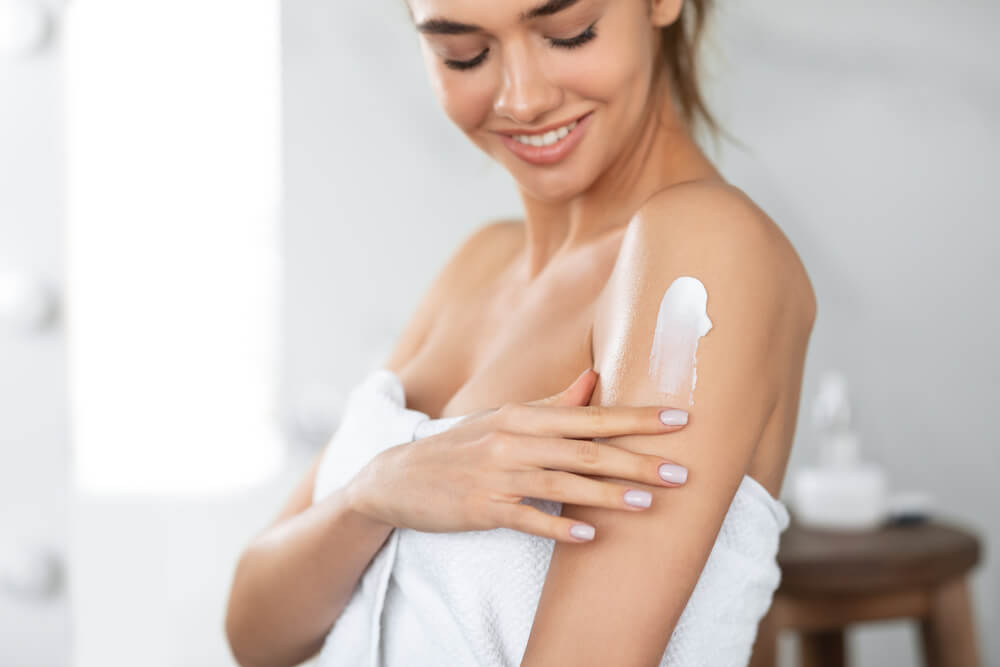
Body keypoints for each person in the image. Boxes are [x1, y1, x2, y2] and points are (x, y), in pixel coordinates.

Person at [225, 0, 817, 665]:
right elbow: (256, 629)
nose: (523, 98)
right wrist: (378, 492)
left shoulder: (703, 252)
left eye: (570, 34)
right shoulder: (479, 265)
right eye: (464, 53)